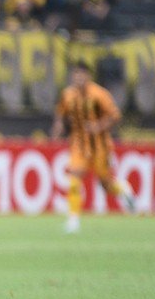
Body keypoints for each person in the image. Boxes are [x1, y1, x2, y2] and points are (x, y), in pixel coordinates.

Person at [51, 62, 136, 234]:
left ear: (88, 76)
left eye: (82, 74)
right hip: (79, 145)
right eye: (76, 74)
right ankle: (73, 219)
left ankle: (124, 189)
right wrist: (57, 128)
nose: (78, 78)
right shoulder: (68, 95)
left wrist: (98, 126)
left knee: (106, 184)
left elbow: (115, 116)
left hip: (100, 146)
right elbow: (61, 113)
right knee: (74, 176)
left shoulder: (99, 94)